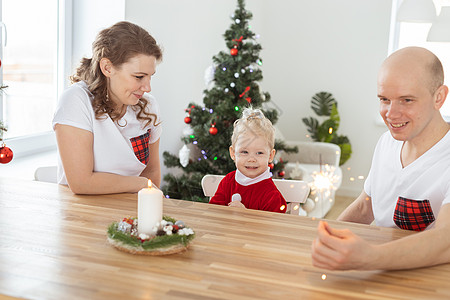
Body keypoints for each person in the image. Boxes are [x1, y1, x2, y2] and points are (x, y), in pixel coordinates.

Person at [311, 46, 450, 270]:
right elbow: (366, 207)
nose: (391, 113)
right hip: (382, 271)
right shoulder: (387, 142)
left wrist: (369, 257)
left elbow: (446, 242)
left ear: (439, 97)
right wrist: (326, 238)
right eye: (385, 99)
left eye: (407, 100)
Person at [52, 21, 163, 194]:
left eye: (150, 76)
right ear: (107, 68)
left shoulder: (147, 105)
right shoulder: (76, 101)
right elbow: (81, 183)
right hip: (83, 214)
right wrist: (140, 184)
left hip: (129, 213)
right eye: (139, 76)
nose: (147, 87)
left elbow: (152, 171)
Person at [209, 108, 287, 213]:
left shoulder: (271, 195)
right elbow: (213, 212)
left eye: (259, 153)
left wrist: (246, 214)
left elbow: (273, 226)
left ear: (270, 156)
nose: (251, 159)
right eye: (244, 152)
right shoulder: (228, 182)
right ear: (233, 153)